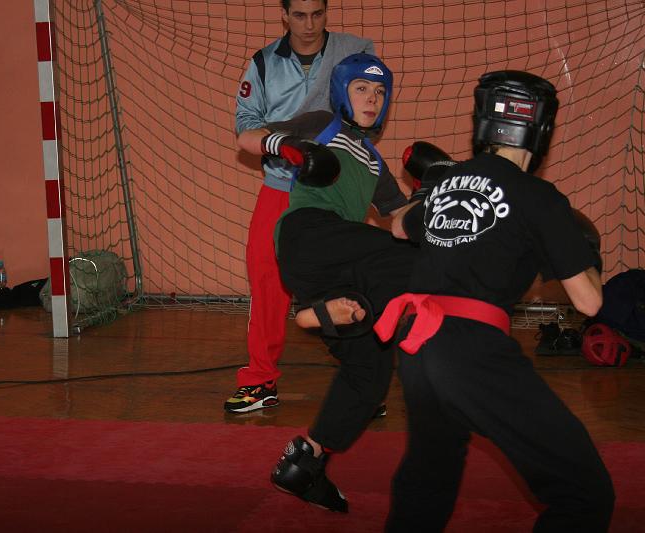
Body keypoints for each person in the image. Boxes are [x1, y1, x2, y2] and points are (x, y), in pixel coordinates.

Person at [375, 70, 614, 531]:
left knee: (429, 480)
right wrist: (587, 258)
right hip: (473, 353)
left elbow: (400, 227)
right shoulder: (540, 197)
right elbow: (588, 303)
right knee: (585, 493)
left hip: (418, 350)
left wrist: (435, 186)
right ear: (542, 129)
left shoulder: (450, 182)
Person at [238, 53, 418, 512]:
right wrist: (288, 146)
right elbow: (247, 138)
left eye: (379, 92)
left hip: (335, 273)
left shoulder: (374, 162)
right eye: (362, 89)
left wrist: (441, 196)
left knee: (371, 373)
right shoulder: (322, 125)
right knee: (399, 262)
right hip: (308, 236)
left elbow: (401, 221)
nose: (372, 99)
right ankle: (314, 313)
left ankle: (306, 464)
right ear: (342, 92)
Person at [225, 0, 376, 413]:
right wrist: (283, 143)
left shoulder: (355, 50)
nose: (309, 24)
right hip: (280, 183)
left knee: (345, 283)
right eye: (299, 15)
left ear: (326, 12)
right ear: (284, 15)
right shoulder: (263, 62)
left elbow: (368, 111)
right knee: (265, 274)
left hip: (334, 188)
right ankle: (260, 380)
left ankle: (366, 380)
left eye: (317, 14)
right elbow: (245, 124)